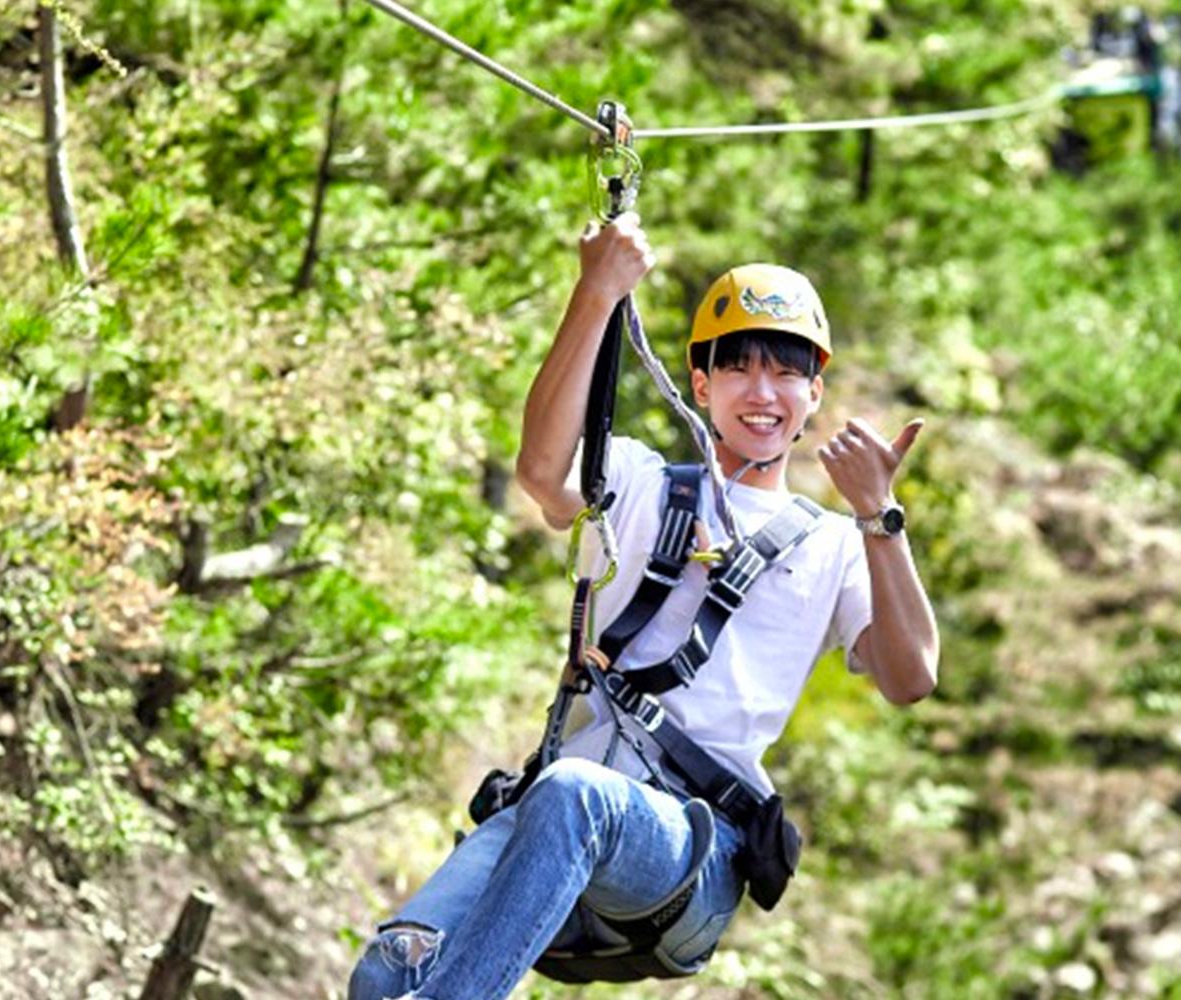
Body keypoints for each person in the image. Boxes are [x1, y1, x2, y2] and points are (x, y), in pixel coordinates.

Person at [348, 213, 940, 1000]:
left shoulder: (834, 545)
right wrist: (597, 294)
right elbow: (542, 471)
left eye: (785, 374)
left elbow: (912, 677)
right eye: (738, 370)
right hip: (555, 815)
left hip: (692, 846)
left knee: (572, 797)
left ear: (813, 393)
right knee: (386, 973)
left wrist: (879, 516)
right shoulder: (639, 481)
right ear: (701, 385)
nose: (762, 394)